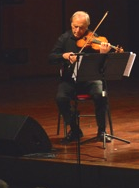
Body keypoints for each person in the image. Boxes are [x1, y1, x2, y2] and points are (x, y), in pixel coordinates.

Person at [48, 11, 111, 144]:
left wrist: (103, 54)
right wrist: (64, 56)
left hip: (90, 79)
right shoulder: (64, 38)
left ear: (87, 26)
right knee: (61, 98)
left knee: (101, 94)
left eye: (81, 27)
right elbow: (51, 57)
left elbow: (103, 66)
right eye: (75, 26)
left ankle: (102, 131)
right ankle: (75, 129)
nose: (77, 30)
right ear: (71, 24)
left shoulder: (95, 38)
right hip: (70, 79)